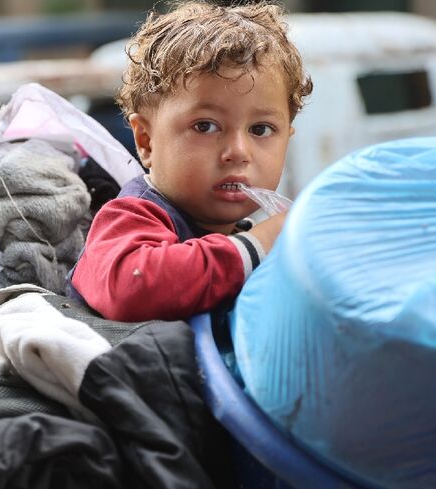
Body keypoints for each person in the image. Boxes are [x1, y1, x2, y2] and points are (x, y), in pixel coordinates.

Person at [68, 1, 313, 322]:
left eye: (261, 129)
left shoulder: (242, 234)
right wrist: (261, 243)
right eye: (205, 126)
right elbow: (131, 288)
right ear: (146, 140)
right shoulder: (132, 217)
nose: (238, 151)